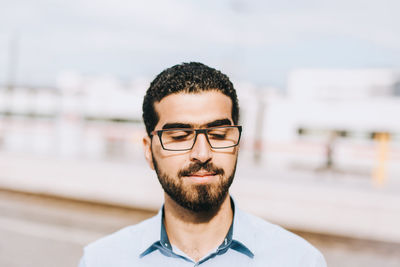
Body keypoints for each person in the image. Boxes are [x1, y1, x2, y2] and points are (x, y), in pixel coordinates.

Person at [79, 62, 327, 266]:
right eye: (178, 137)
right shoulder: (102, 260)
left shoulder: (299, 260)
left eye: (219, 135)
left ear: (237, 143)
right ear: (148, 150)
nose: (202, 153)